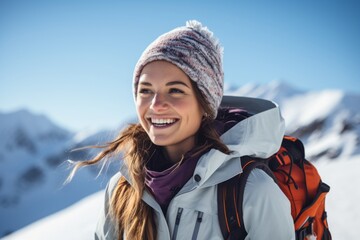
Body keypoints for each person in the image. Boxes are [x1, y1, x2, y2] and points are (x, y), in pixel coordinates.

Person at [75, 20, 295, 239]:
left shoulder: (252, 191)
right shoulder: (122, 189)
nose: (155, 105)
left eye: (175, 90)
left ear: (205, 103)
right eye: (145, 90)